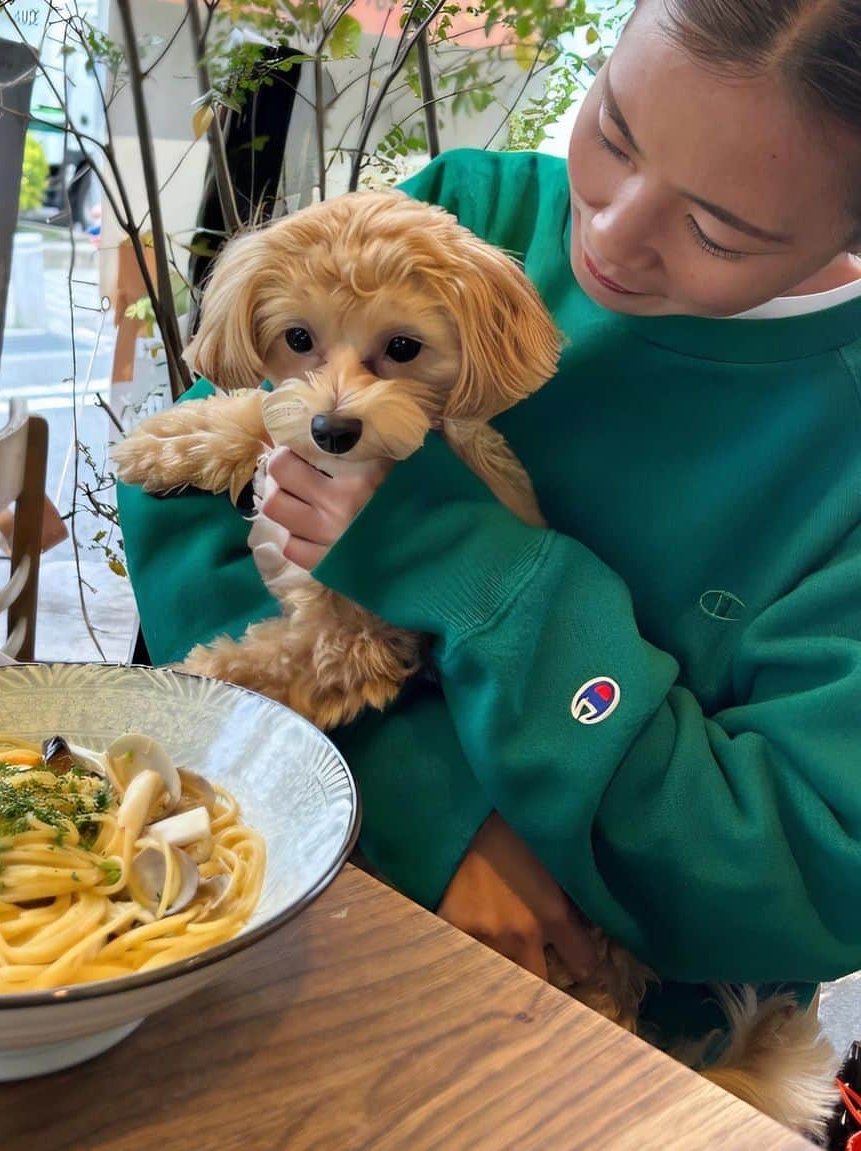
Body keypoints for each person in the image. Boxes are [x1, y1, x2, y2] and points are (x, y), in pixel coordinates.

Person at [117, 0, 861, 1050]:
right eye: (611, 131)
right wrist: (435, 807)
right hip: (283, 912)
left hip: (603, 1045)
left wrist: (463, 557)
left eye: (714, 230)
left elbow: (803, 872)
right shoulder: (469, 219)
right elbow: (180, 477)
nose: (609, 233)